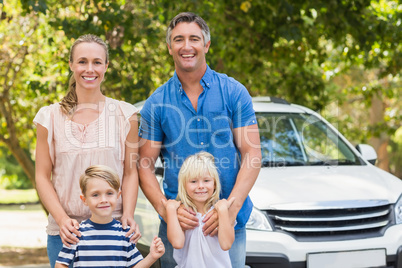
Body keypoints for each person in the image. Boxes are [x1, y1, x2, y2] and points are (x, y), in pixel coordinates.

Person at [138, 12, 261, 268]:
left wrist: (231, 210)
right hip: (180, 228)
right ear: (169, 47)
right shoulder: (157, 103)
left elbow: (252, 154)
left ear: (206, 45)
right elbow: (143, 165)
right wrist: (166, 210)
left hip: (229, 225)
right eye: (178, 39)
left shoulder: (234, 92)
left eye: (194, 39)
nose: (186, 46)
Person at [34, 34, 141, 268]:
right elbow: (42, 176)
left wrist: (129, 214)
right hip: (66, 235)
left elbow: (130, 172)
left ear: (106, 66)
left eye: (97, 62)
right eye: (82, 61)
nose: (89, 69)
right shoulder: (49, 117)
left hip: (112, 233)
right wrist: (62, 220)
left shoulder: (125, 115)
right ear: (71, 65)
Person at [55, 165, 165, 268]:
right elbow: (61, 264)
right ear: (84, 200)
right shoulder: (77, 233)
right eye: (95, 195)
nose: (103, 200)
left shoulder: (125, 233)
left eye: (109, 193)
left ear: (118, 196)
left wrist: (152, 256)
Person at [162, 152, 235, 268]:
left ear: (215, 184)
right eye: (193, 181)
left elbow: (226, 244)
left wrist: (223, 211)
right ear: (184, 185)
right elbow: (177, 243)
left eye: (206, 180)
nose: (201, 186)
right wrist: (170, 210)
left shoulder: (221, 212)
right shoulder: (182, 215)